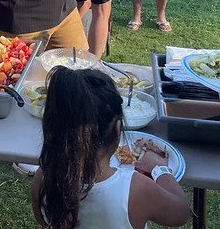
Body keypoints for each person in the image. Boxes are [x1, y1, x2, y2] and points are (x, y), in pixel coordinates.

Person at [31, 67, 191, 229]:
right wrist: (160, 169)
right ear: (117, 129)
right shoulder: (136, 188)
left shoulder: (43, 177)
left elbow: (42, 221)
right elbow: (181, 213)